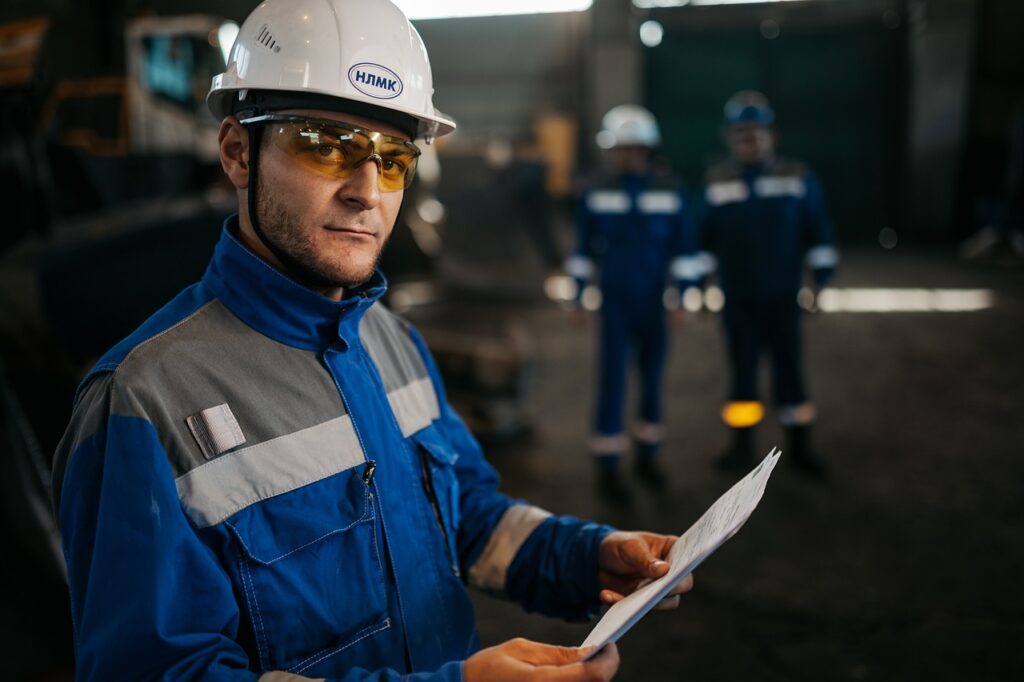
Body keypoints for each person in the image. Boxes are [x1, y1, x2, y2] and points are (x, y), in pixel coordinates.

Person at [50, 1, 694, 680]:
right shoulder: (142, 402)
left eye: (393, 160)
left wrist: (585, 556)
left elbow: (467, 518)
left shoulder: (393, 343)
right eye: (326, 145)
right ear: (238, 152)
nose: (368, 192)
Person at [686, 91, 837, 476]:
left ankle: (800, 450)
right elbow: (702, 242)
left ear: (773, 136)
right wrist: (699, 285)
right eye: (741, 135)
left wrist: (821, 282)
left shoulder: (797, 178)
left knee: (791, 373)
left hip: (783, 299)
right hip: (739, 301)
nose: (748, 142)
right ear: (730, 139)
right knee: (742, 376)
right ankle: (741, 450)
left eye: (756, 134)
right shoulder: (717, 182)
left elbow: (818, 233)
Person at [565, 105, 697, 504]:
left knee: (652, 382)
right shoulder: (596, 190)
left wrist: (684, 295)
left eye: (633, 148)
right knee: (613, 382)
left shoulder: (670, 190)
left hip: (655, 304)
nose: (626, 156)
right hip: (615, 305)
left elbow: (684, 249)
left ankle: (648, 457)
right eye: (620, 149)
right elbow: (582, 249)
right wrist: (577, 293)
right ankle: (608, 465)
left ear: (646, 149)